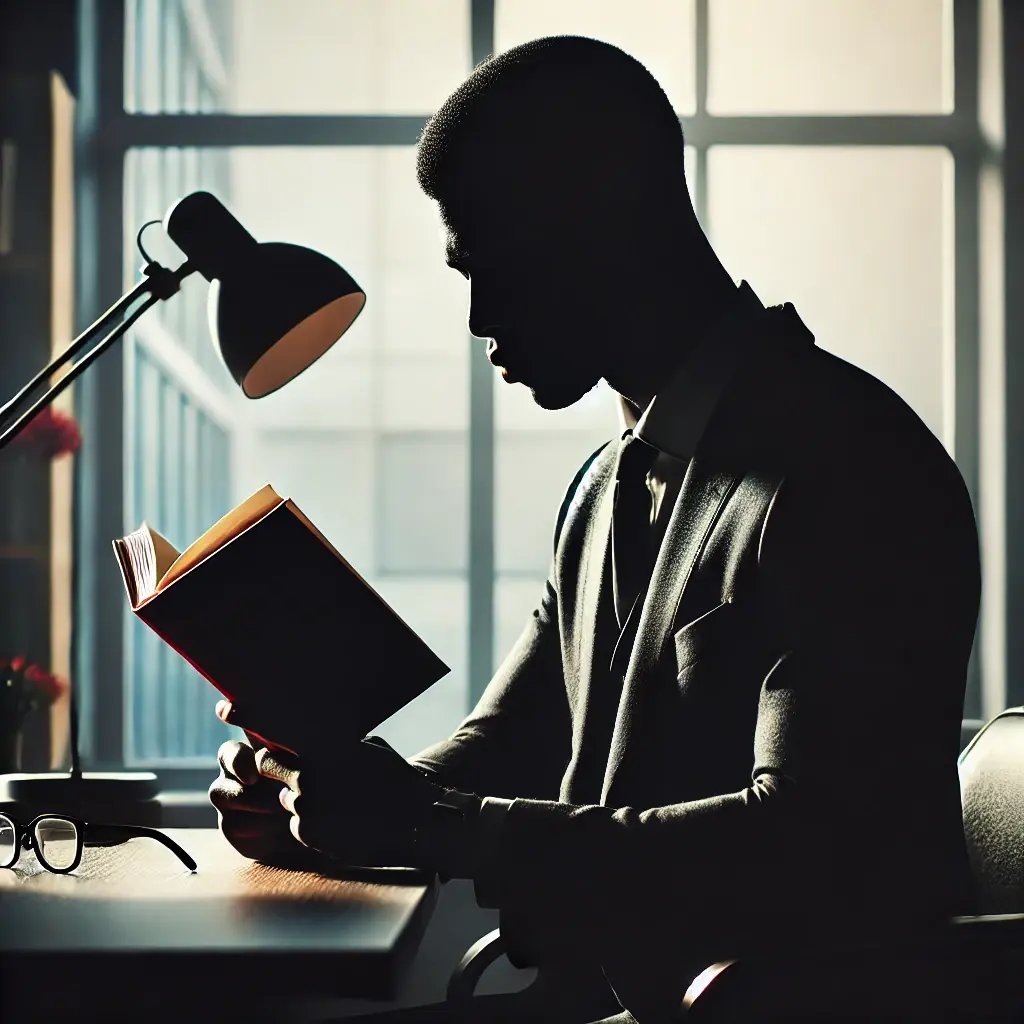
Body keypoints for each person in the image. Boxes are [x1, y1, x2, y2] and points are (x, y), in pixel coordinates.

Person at [209, 36, 981, 1024]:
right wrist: (317, 801)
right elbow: (504, 744)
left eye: (495, 267)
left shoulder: (850, 469)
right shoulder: (608, 482)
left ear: (609, 223)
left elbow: (802, 844)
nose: (481, 319)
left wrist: (418, 819)